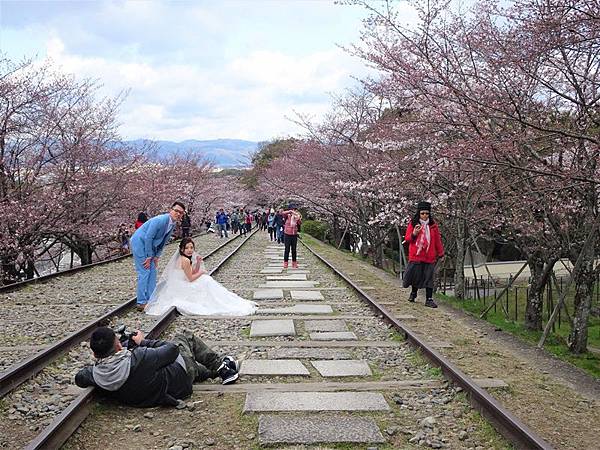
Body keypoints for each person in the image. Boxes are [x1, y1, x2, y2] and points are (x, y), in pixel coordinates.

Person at [74, 326, 239, 408]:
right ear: (118, 347)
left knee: (199, 368)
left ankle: (223, 365)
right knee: (184, 337)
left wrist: (100, 365)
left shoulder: (95, 375)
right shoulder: (139, 358)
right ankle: (222, 368)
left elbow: (79, 378)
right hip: (180, 379)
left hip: (162, 392)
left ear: (95, 355)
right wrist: (143, 342)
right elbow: (172, 350)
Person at [145, 237, 258, 316]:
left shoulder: (184, 259)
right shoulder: (184, 260)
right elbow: (190, 278)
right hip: (183, 286)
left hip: (182, 283)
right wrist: (202, 273)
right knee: (206, 280)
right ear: (182, 249)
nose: (190, 250)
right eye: (187, 248)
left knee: (206, 280)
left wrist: (198, 263)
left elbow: (191, 272)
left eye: (191, 248)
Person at [130, 202, 186, 311]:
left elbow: (164, 241)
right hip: (139, 242)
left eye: (181, 213)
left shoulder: (172, 223)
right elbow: (148, 237)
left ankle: (151, 299)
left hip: (149, 245)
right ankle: (141, 302)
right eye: (176, 211)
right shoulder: (160, 220)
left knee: (153, 271)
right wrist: (149, 256)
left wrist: (156, 256)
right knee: (145, 270)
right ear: (171, 210)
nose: (178, 214)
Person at [403, 201, 445, 308]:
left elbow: (437, 241)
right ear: (419, 213)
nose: (425, 216)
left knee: (429, 277)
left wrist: (441, 253)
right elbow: (408, 238)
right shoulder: (413, 224)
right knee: (416, 276)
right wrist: (414, 234)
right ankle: (413, 293)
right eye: (422, 213)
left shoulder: (433, 226)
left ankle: (429, 299)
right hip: (416, 255)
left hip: (429, 256)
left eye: (427, 213)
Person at [281, 204, 302, 269]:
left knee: (294, 249)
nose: (294, 210)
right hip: (287, 234)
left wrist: (298, 219)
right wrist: (290, 211)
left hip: (294, 234)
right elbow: (282, 213)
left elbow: (300, 223)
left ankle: (294, 263)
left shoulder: (297, 216)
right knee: (287, 249)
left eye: (295, 209)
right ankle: (285, 263)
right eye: (293, 209)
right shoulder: (287, 215)